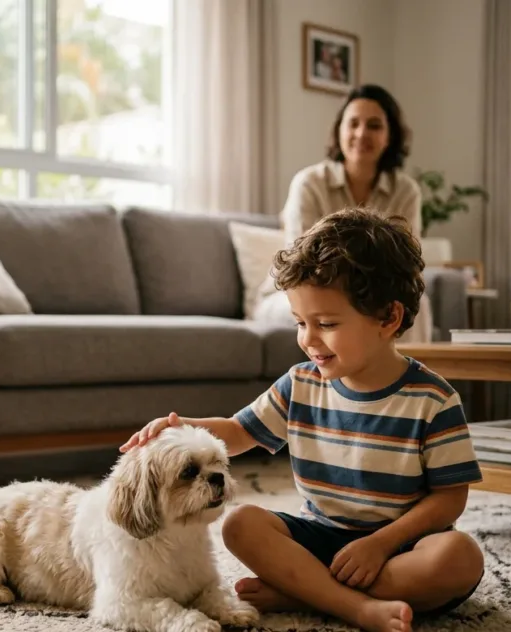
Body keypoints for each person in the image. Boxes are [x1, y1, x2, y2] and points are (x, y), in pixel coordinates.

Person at [120, 208, 485, 632]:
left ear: (389, 318)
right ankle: (354, 605)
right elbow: (238, 432)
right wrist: (180, 426)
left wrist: (380, 544)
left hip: (401, 546)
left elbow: (449, 499)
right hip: (320, 539)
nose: (308, 339)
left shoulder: (434, 400)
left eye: (325, 324)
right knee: (241, 524)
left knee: (460, 558)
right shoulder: (300, 384)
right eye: (300, 323)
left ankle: (306, 592)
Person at [256, 84, 433, 344]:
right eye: (353, 124)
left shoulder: (406, 191)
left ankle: (406, 373)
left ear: (390, 136)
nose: (361, 133)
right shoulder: (309, 183)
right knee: (339, 312)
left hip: (370, 294)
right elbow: (302, 264)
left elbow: (406, 263)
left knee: (416, 304)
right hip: (294, 294)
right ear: (339, 131)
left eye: (374, 126)